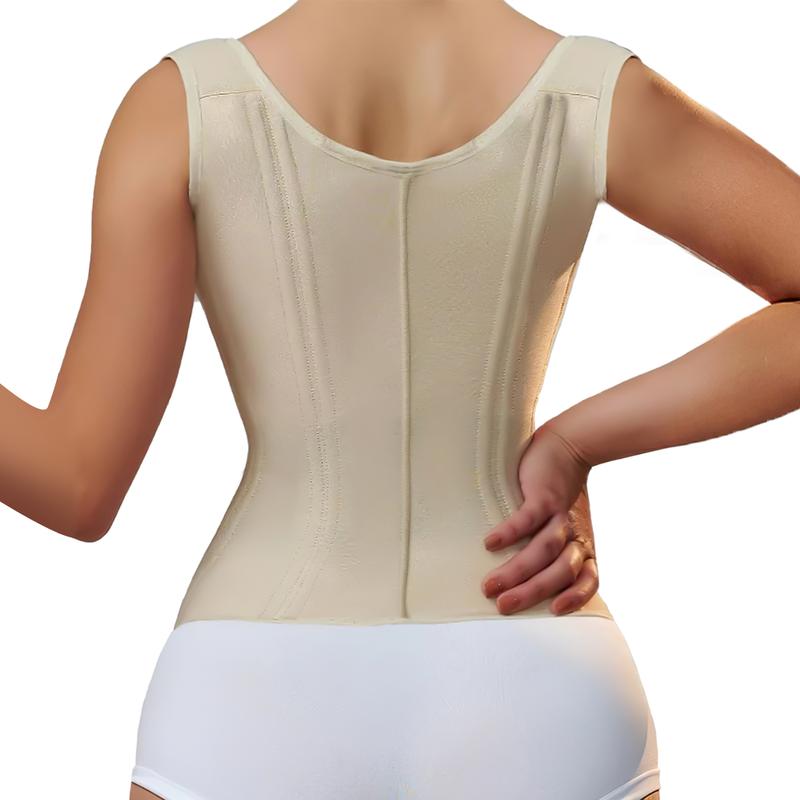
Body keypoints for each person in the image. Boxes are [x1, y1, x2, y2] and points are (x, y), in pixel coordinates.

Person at [2, 1, 798, 798]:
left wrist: (577, 443)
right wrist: (575, 442)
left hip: (252, 689)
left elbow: (77, 482)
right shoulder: (595, 93)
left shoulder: (180, 108)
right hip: (539, 676)